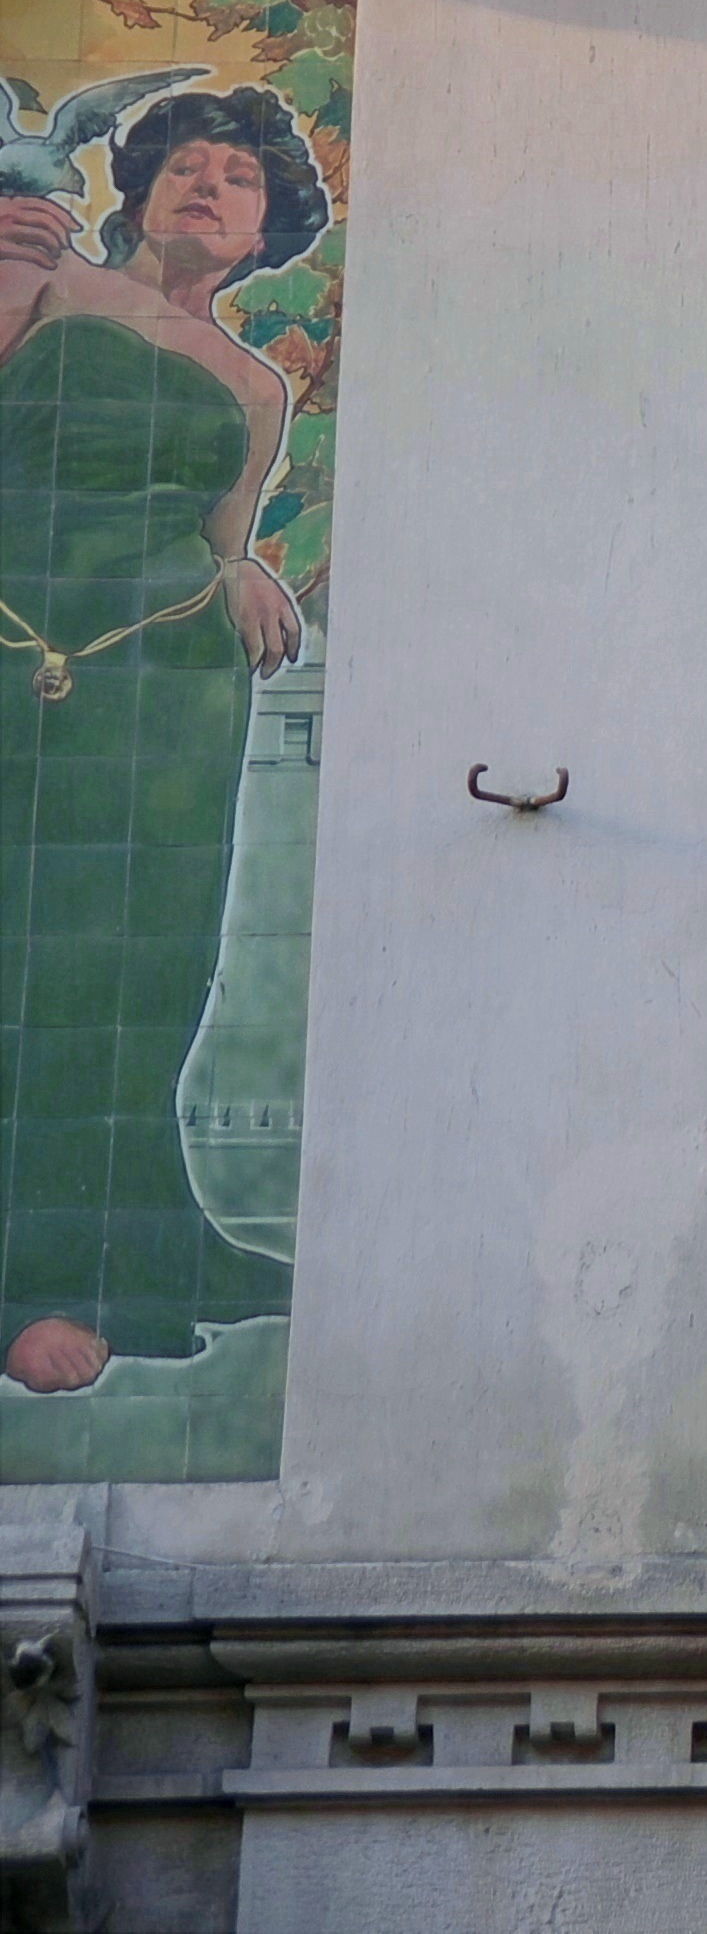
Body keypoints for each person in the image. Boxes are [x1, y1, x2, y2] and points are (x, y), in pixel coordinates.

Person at [0, 86, 324, 1390]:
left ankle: (70, 1272)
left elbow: (222, 526)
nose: (208, 186)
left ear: (264, 233)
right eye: (184, 166)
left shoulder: (256, 381)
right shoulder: (47, 277)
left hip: (164, 693)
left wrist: (245, 572)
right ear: (134, 191)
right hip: (20, 638)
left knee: (127, 967)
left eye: (238, 180)